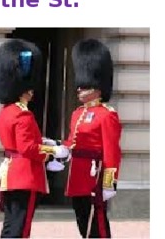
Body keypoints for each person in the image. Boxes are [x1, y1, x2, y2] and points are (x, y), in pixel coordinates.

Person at [0, 39, 69, 238]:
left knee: (11, 226)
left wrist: (45, 142)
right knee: (21, 228)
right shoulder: (23, 115)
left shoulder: (5, 113)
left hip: (11, 174)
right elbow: (27, 148)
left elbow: (19, 142)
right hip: (25, 176)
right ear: (23, 88)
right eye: (29, 87)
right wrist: (53, 153)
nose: (32, 90)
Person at [62, 39, 122, 238]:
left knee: (97, 226)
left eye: (84, 85)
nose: (79, 89)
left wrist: (109, 182)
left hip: (94, 177)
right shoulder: (77, 113)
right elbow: (72, 142)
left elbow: (112, 151)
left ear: (98, 87)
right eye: (79, 85)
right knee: (82, 220)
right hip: (76, 177)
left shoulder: (107, 115)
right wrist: (56, 149)